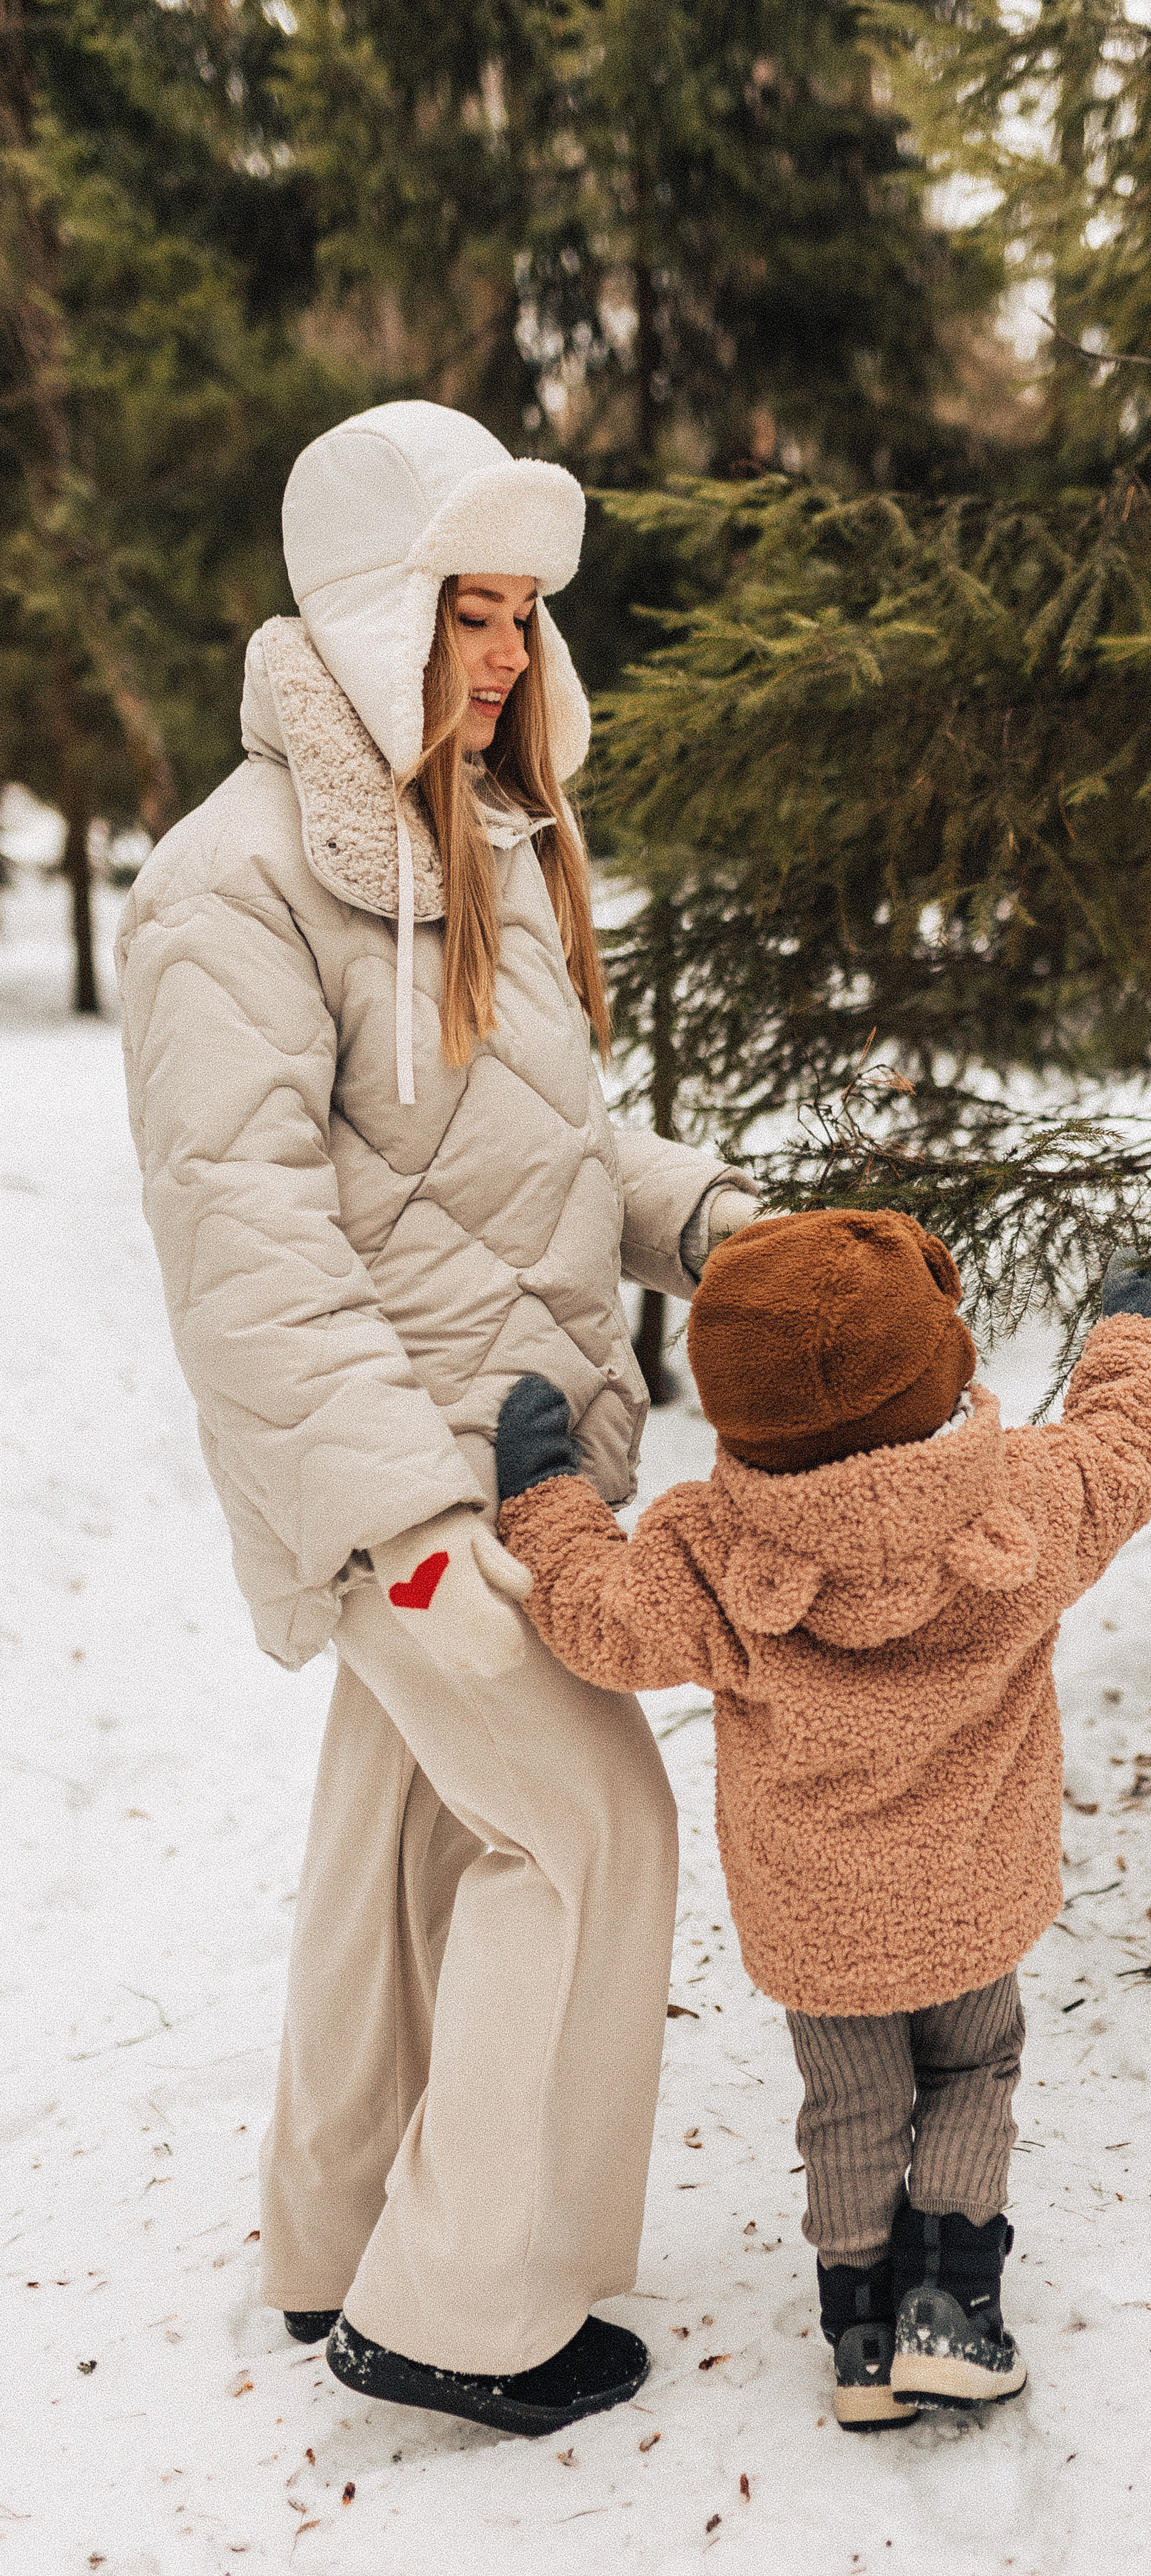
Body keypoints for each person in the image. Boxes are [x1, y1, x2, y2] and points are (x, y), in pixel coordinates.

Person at [116, 400, 758, 2438]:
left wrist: (721, 1229)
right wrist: (396, 1513)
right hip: (409, 1472)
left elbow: (538, 1156)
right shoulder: (231, 888)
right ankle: (467, 2310)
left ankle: (326, 2244)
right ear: (379, 617)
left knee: (402, 1835)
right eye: (468, 614)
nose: (505, 655)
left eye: (522, 618)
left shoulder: (478, 842)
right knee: (588, 1824)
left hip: (528, 1453)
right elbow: (248, 1244)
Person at [491, 1210, 1151, 2427]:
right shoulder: (1029, 1496)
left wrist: (546, 1496)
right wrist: (1138, 1333)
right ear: (939, 1361)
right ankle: (952, 2314)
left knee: (850, 2098)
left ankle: (862, 2332)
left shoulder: (708, 1552)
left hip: (815, 1914)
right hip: (976, 1883)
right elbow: (1122, 1453)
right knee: (977, 2065)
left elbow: (601, 1619)